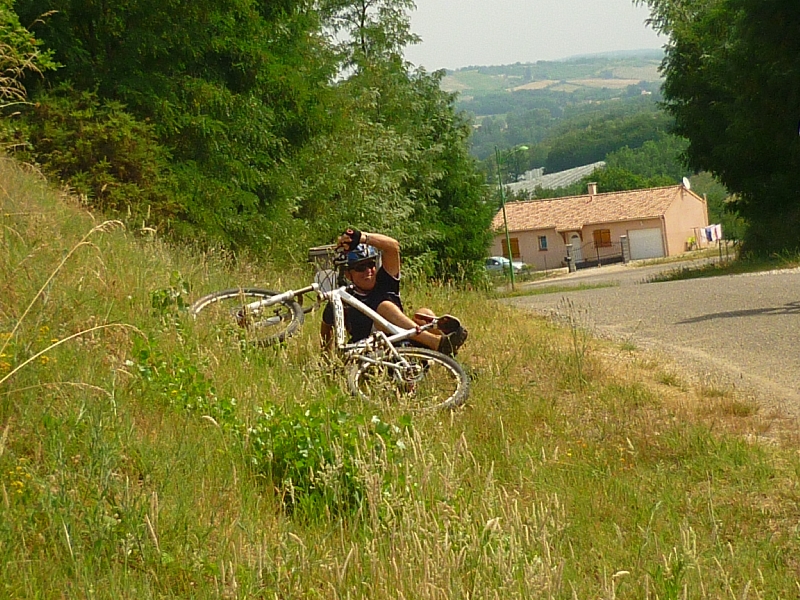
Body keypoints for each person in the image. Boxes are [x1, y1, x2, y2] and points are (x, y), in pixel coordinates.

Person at [320, 228, 468, 356]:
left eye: (370, 265)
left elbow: (393, 247)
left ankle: (454, 367)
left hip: (405, 346)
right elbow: (326, 325)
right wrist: (327, 357)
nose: (368, 272)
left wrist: (361, 237)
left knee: (425, 314)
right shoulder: (345, 298)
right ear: (348, 274)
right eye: (360, 268)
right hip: (372, 352)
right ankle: (436, 343)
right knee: (385, 307)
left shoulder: (384, 282)